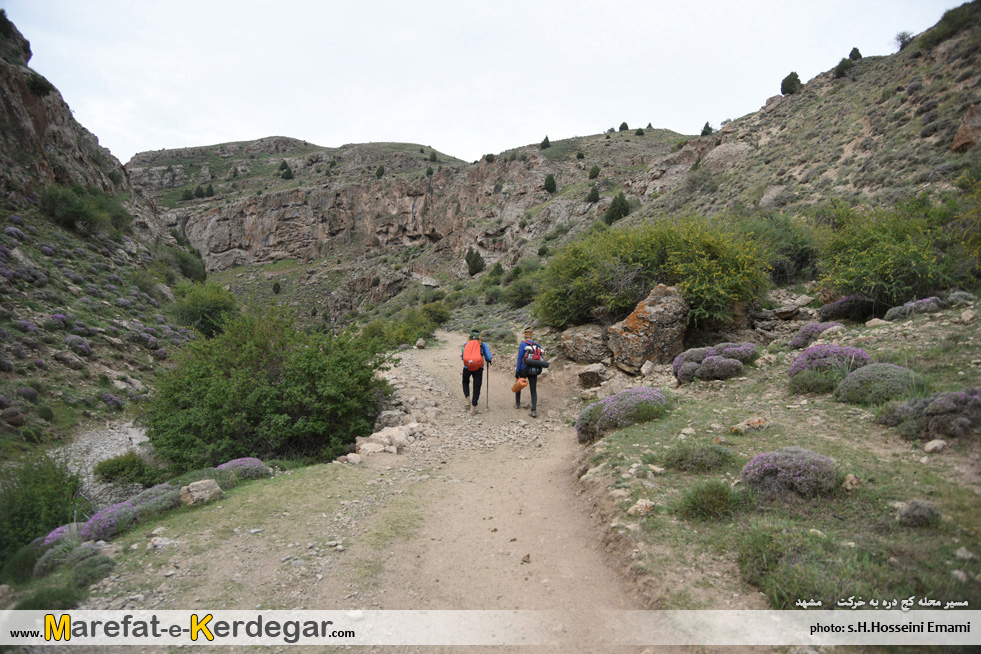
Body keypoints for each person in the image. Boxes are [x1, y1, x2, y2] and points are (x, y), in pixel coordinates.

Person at [461, 330, 492, 416]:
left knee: (465, 381)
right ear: (479, 336)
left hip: (467, 367)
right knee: (476, 386)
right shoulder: (482, 344)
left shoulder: (466, 343)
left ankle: (467, 399)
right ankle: (473, 407)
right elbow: (489, 357)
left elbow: (463, 357)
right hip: (478, 368)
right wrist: (488, 360)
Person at [515, 327, 542, 418]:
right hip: (534, 369)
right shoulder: (537, 345)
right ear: (532, 335)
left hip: (524, 369)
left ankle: (517, 403)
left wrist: (517, 371)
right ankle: (533, 410)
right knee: (533, 389)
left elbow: (520, 359)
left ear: (525, 335)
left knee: (519, 385)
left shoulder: (523, 344)